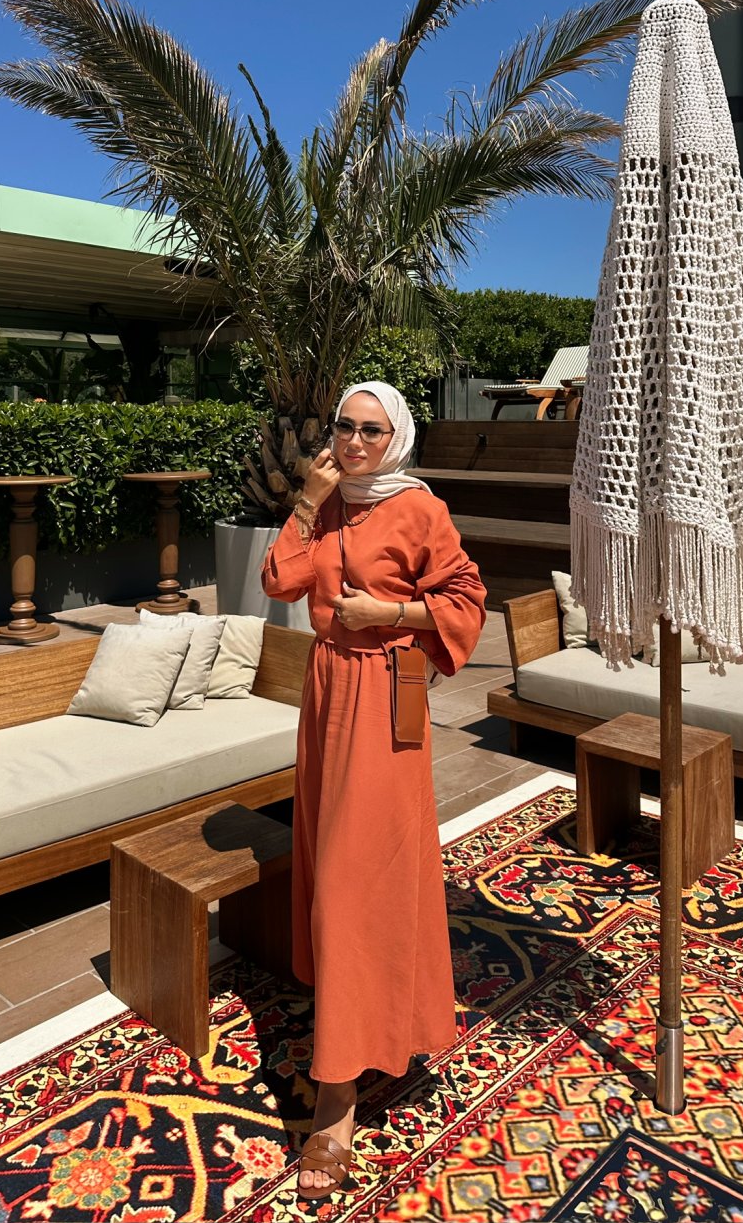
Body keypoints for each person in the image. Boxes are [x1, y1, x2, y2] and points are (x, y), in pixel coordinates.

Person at [261, 380, 486, 1201]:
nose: (355, 441)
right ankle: (367, 1007)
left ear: (398, 437)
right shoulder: (326, 502)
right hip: (327, 690)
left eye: (372, 430)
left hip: (389, 688)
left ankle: (336, 1096)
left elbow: (466, 600)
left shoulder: (420, 508)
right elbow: (279, 581)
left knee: (361, 877)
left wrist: (387, 610)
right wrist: (306, 498)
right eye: (345, 427)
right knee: (333, 865)